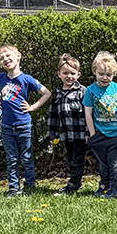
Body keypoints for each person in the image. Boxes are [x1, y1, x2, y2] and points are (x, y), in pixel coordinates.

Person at [0, 44, 52, 197]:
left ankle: (30, 185)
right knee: (11, 158)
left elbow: (46, 93)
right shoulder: (0, 78)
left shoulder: (27, 79)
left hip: (24, 125)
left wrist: (34, 107)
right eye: (1, 58)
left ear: (18, 56)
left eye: (8, 56)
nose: (6, 59)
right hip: (6, 126)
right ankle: (13, 187)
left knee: (26, 156)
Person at [83, 51, 117, 198]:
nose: (105, 78)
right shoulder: (91, 91)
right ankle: (104, 185)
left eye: (108, 75)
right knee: (103, 163)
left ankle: (115, 188)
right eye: (101, 74)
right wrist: (92, 133)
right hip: (99, 134)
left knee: (116, 163)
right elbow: (88, 113)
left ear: (114, 74)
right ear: (94, 72)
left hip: (116, 134)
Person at [47, 54, 88, 195]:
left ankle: (73, 185)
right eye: (65, 73)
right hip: (66, 134)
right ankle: (77, 181)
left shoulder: (83, 92)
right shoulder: (57, 93)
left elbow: (89, 114)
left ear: (78, 74)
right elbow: (52, 115)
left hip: (80, 134)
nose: (69, 76)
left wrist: (89, 131)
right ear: (59, 74)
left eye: (72, 73)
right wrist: (52, 133)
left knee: (77, 160)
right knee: (71, 159)